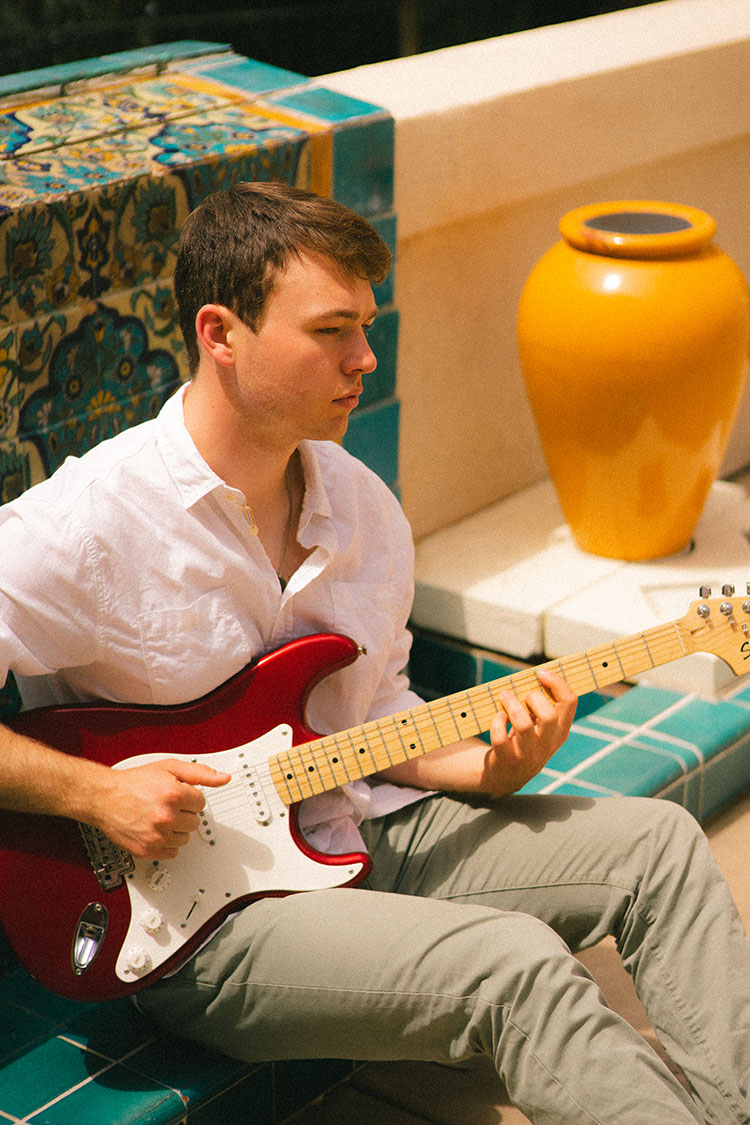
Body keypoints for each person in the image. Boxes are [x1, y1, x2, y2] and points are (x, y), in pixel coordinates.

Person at [0, 181, 748, 1125]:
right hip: (203, 921)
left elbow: (373, 715)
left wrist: (487, 763)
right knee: (513, 967)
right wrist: (94, 794)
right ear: (220, 333)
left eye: (367, 324)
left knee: (662, 847)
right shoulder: (88, 523)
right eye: (332, 330)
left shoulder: (360, 508)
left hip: (363, 829)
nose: (366, 358)